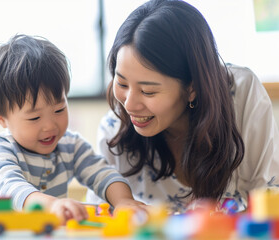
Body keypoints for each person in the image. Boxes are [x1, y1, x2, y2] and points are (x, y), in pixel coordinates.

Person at [86, 0, 279, 213]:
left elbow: (269, 201)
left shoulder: (242, 95)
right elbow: (98, 219)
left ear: (192, 87)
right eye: (121, 83)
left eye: (148, 91)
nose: (129, 104)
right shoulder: (116, 130)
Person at [0, 34, 143, 222]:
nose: (50, 126)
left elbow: (102, 173)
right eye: (34, 117)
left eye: (59, 109)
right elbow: (13, 189)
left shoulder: (70, 145)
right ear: (0, 118)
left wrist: (123, 200)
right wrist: (52, 205)